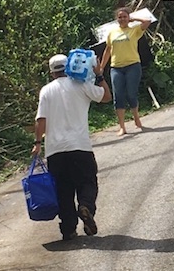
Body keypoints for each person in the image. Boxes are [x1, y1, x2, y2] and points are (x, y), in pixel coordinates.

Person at [32, 53, 112, 241]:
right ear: (68, 67)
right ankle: (85, 206)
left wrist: (37, 144)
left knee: (63, 190)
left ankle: (68, 229)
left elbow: (41, 120)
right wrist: (99, 75)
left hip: (55, 151)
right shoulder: (81, 85)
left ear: (51, 73)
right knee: (87, 182)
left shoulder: (46, 91)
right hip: (80, 146)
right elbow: (107, 97)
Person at [101, 7, 151, 136]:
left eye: (124, 16)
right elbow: (108, 50)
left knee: (131, 94)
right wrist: (101, 67)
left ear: (128, 18)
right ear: (116, 19)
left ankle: (136, 119)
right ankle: (122, 126)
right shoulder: (112, 32)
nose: (122, 19)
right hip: (116, 67)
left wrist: (133, 18)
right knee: (118, 96)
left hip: (132, 66)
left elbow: (147, 21)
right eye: (120, 17)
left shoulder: (134, 30)